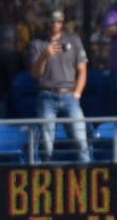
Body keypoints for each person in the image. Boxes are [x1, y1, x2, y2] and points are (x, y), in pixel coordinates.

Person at [28, 9, 88, 163]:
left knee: (80, 140)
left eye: (59, 21)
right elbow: (34, 73)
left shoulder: (74, 40)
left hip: (69, 95)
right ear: (47, 22)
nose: (56, 24)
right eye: (53, 21)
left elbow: (82, 69)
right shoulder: (37, 43)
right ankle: (47, 175)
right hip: (47, 95)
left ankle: (86, 173)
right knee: (47, 146)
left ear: (62, 23)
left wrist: (77, 93)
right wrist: (44, 55)